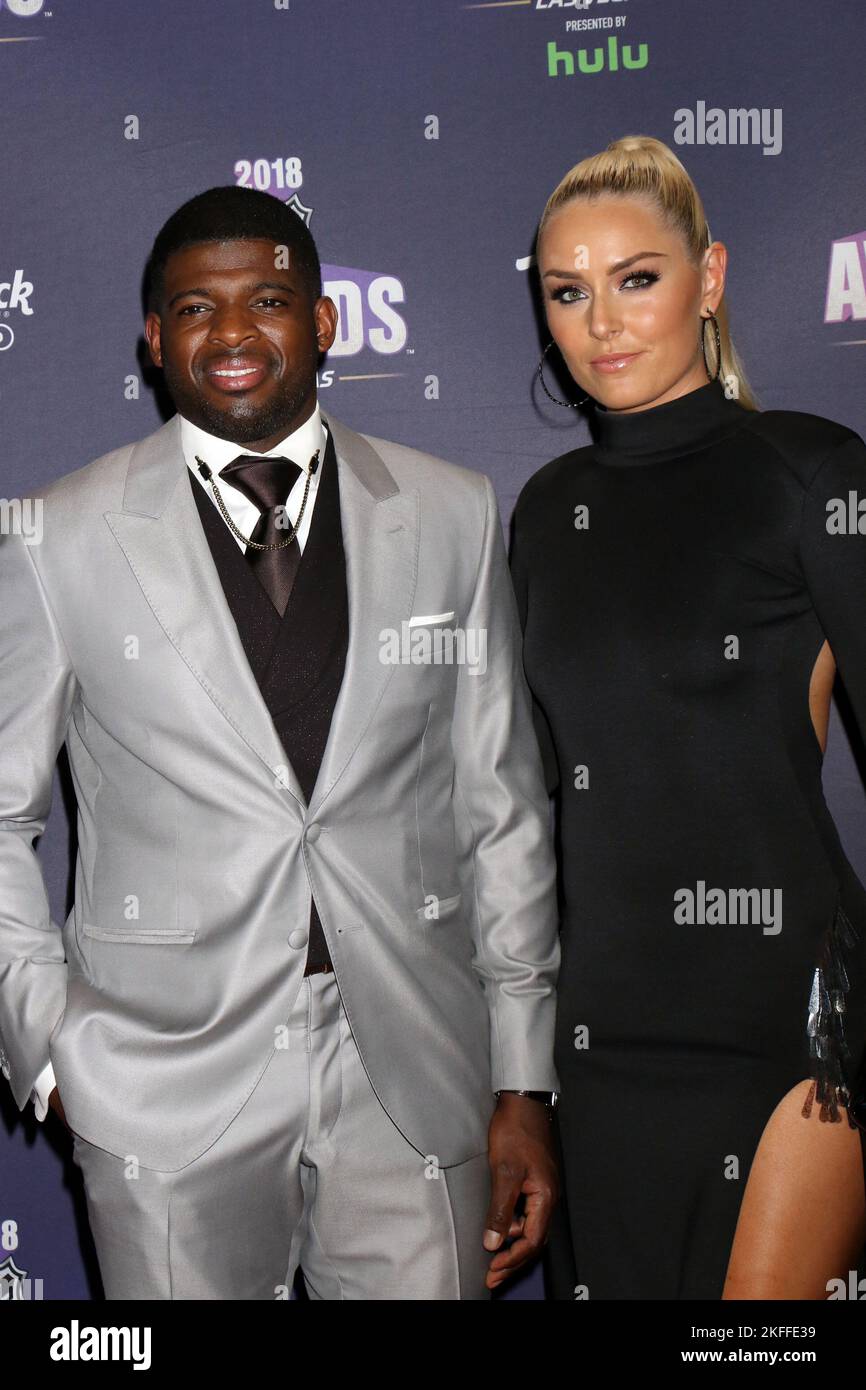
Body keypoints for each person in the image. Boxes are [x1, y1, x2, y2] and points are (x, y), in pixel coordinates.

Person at [0, 185, 561, 1300]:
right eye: (194, 308)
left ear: (324, 319)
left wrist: (521, 1077)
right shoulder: (56, 532)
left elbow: (497, 801)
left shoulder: (450, 513)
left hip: (412, 1063)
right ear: (154, 340)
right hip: (161, 1075)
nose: (232, 333)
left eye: (266, 298)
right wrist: (54, 1043)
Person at [510, 134, 866, 1300]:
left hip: (784, 1025)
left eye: (636, 278)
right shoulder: (545, 512)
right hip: (602, 1036)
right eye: (568, 291)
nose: (601, 320)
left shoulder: (810, 474)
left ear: (706, 280)